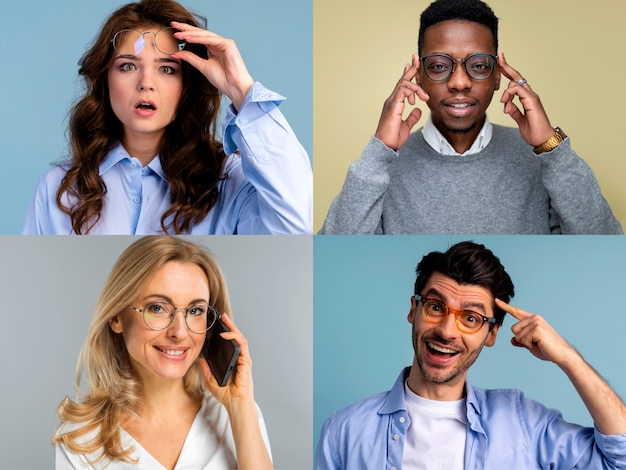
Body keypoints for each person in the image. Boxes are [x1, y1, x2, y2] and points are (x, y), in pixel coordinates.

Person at [316, 241, 626, 469]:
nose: (448, 331)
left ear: (491, 334)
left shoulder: (524, 423)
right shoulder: (344, 430)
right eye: (436, 307)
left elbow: (619, 458)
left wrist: (568, 358)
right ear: (414, 309)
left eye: (471, 318)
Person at [320, 0, 621, 234]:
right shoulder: (381, 169)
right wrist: (378, 153)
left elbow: (605, 243)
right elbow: (330, 253)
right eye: (439, 66)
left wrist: (552, 150)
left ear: (499, 77)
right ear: (419, 76)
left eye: (478, 65)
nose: (460, 83)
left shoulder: (541, 160)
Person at [23, 0, 311, 235]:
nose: (146, 82)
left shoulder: (230, 181)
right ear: (104, 79)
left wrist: (242, 90)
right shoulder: (58, 188)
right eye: (127, 66)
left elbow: (296, 229)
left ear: (187, 84)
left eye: (167, 69)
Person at [53, 236, 273, 469]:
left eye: (195, 310)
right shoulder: (80, 439)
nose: (179, 331)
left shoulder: (239, 415)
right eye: (157, 308)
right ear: (116, 317)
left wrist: (240, 406)